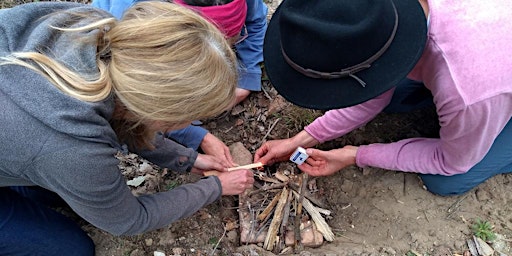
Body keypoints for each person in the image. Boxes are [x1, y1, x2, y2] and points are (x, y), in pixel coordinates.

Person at [0, 2, 254, 255]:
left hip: (22, 138)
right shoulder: (71, 152)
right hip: (36, 144)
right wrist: (215, 187)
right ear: (156, 111)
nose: (190, 124)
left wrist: (188, 159)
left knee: (66, 193)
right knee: (72, 249)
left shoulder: (98, 26)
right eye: (190, 117)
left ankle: (27, 178)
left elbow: (122, 115)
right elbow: (129, 220)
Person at [254, 0, 512, 196]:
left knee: (445, 181)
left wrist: (354, 154)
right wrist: (300, 139)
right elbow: (372, 89)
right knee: (396, 97)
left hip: (483, 80)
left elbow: (451, 162)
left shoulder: (467, 91)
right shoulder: (382, 15)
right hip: (479, 53)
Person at [92, 0, 268, 165]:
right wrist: (195, 136)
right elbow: (147, 104)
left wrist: (247, 77)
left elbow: (256, 21)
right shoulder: (130, 24)